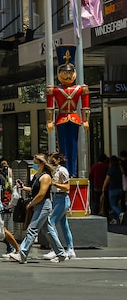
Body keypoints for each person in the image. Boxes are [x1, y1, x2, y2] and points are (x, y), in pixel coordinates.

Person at [9, 154, 68, 263]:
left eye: (35, 162)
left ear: (41, 163)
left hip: (43, 205)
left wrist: (31, 204)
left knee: (32, 229)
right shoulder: (38, 175)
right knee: (48, 230)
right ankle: (61, 253)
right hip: (39, 205)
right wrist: (23, 187)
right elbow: (34, 189)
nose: (34, 164)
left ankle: (22, 253)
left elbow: (41, 193)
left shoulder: (45, 177)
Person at [46, 46, 90, 176]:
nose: (68, 76)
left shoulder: (81, 88)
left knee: (74, 146)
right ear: (59, 73)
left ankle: (73, 172)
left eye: (70, 73)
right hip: (61, 118)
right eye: (65, 73)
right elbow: (50, 106)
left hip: (75, 118)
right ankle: (66, 171)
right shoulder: (54, 89)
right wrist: (49, 120)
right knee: (63, 147)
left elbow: (85, 105)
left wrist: (85, 120)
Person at [44, 152, 75, 260]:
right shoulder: (54, 170)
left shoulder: (62, 170)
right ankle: (70, 249)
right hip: (56, 198)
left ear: (58, 159)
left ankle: (56, 249)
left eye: (52, 159)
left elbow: (67, 187)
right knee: (64, 225)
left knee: (51, 223)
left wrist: (55, 184)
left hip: (62, 198)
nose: (50, 161)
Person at [100, 155, 125, 225]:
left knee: (112, 205)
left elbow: (107, 179)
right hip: (120, 189)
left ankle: (120, 213)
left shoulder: (111, 169)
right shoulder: (119, 169)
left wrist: (103, 187)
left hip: (112, 189)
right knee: (116, 204)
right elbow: (123, 172)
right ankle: (115, 219)